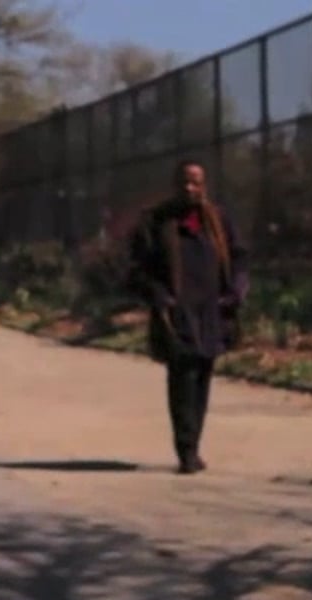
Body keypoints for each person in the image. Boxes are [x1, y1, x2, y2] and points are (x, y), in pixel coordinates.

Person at [126, 161, 248, 474]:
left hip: (212, 311)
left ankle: (193, 443)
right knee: (183, 377)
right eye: (184, 182)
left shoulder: (217, 221)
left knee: (203, 373)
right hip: (177, 312)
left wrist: (235, 292)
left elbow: (238, 260)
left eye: (196, 183)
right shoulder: (157, 222)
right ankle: (186, 451)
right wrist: (158, 295)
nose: (190, 188)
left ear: (204, 185)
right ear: (174, 184)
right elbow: (139, 269)